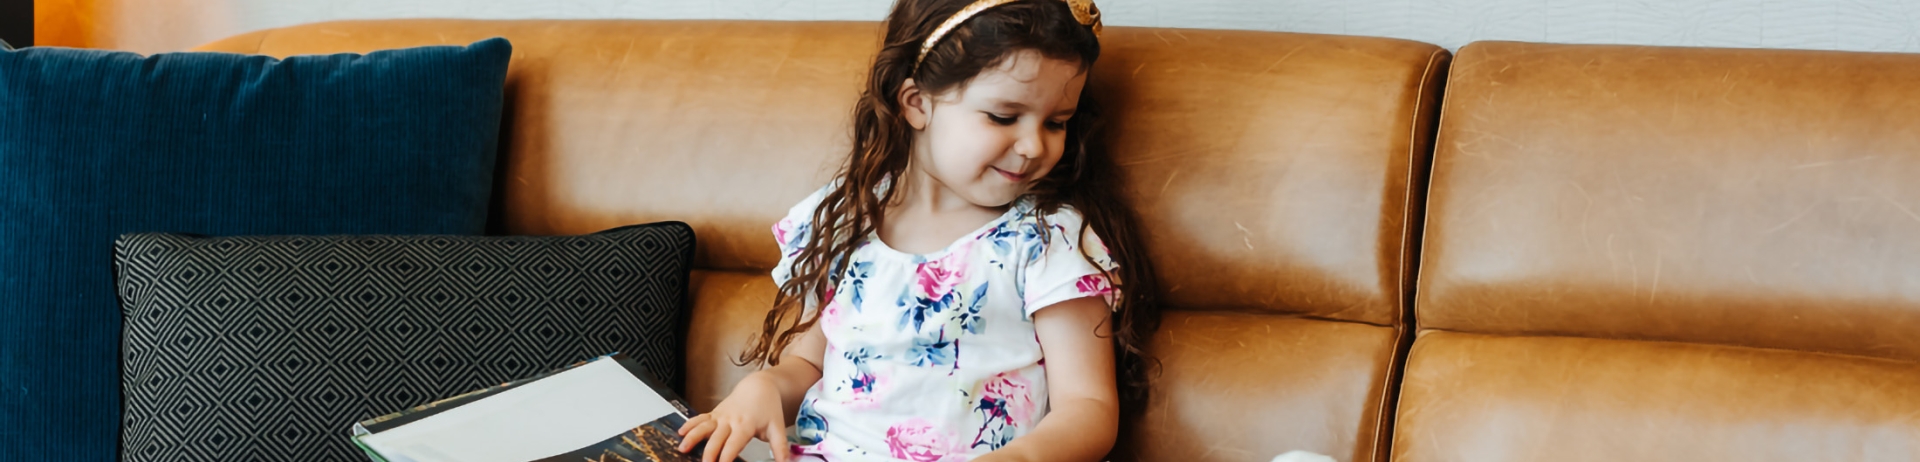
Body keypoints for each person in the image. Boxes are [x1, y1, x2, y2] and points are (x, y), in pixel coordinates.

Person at [677, 0, 1159, 460]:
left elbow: (1088, 408)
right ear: (916, 103)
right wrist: (761, 389)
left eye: (1057, 122)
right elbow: (805, 364)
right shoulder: (848, 217)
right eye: (1004, 116)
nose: (1034, 145)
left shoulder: (1046, 240)